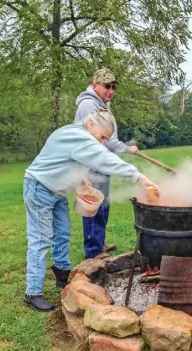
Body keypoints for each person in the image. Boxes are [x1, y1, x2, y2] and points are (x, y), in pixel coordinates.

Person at [23, 112, 158, 312]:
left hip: (56, 191)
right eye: (103, 137)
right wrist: (138, 176)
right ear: (92, 123)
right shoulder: (76, 135)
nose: (103, 142)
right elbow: (104, 159)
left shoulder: (77, 135)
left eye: (106, 139)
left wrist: (81, 180)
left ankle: (62, 274)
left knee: (63, 232)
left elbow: (64, 160)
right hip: (39, 188)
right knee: (41, 238)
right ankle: (32, 292)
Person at [75, 68, 138, 259]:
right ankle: (93, 252)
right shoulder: (88, 105)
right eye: (106, 86)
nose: (110, 91)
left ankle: (99, 243)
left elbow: (108, 136)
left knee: (103, 205)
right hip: (91, 163)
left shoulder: (101, 103)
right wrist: (127, 149)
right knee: (94, 205)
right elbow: (105, 138)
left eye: (113, 87)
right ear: (95, 85)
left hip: (100, 161)